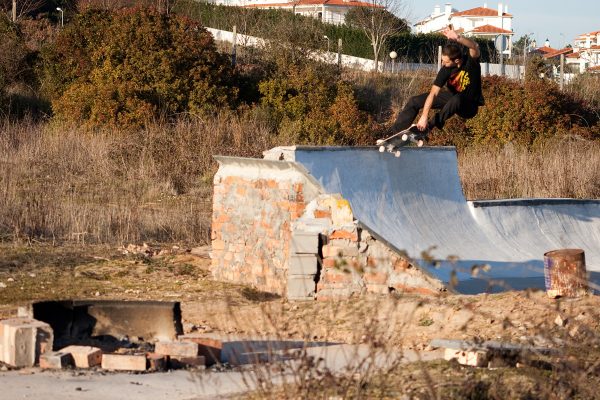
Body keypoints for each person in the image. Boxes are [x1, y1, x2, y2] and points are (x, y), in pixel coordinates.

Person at [391, 26, 484, 137]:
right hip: (452, 99)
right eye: (442, 60)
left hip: (469, 106)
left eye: (446, 62)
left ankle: (429, 127)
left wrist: (458, 37)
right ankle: (394, 134)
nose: (443, 64)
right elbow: (433, 93)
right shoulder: (445, 70)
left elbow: (474, 46)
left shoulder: (471, 62)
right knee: (414, 101)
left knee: (457, 98)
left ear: (457, 60)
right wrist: (424, 116)